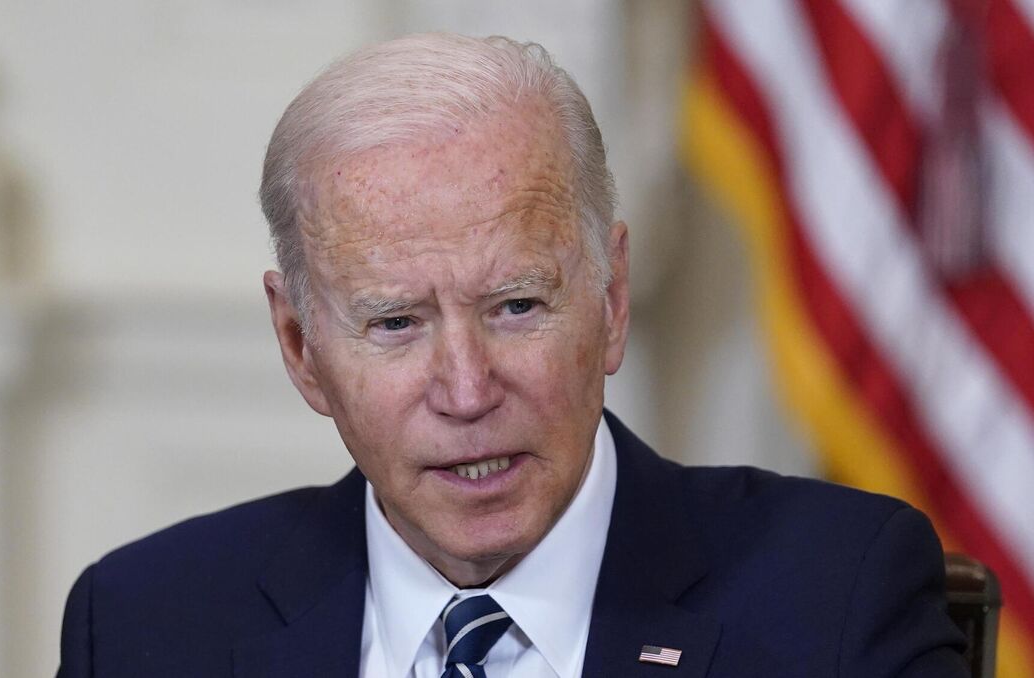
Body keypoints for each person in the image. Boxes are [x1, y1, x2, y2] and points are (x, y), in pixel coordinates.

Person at [57, 33, 968, 677]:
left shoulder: (838, 595)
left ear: (611, 300)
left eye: (517, 306)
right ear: (300, 348)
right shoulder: (145, 623)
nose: (466, 391)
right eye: (396, 323)